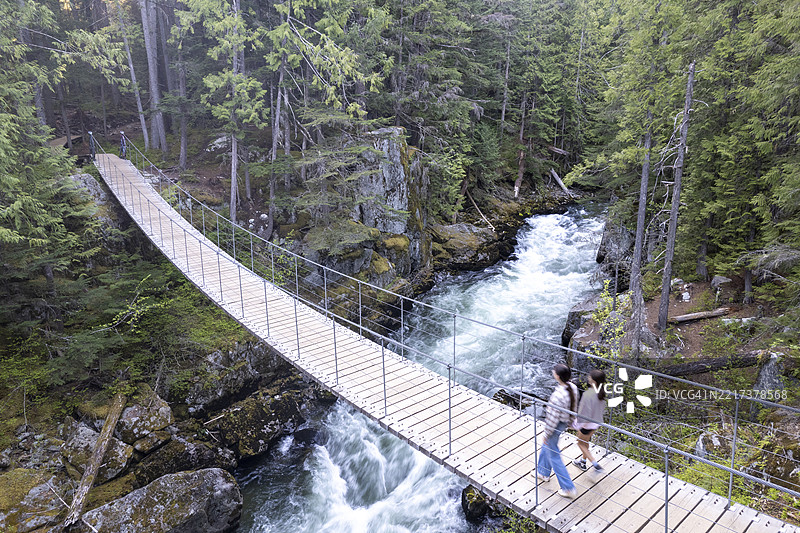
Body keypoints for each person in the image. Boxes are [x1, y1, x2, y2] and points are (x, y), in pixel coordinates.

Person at [536, 363, 579, 498]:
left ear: (558, 376)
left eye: (554, 371)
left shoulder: (557, 396)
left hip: (556, 425)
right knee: (549, 446)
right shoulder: (573, 387)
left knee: (554, 455)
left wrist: (546, 434)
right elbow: (574, 407)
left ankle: (568, 488)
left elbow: (552, 420)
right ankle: (542, 472)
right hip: (564, 422)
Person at [572, 368, 607, 473]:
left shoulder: (588, 394)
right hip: (595, 424)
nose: (588, 378)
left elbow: (584, 413)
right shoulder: (601, 393)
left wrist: (577, 424)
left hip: (586, 425)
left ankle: (595, 464)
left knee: (580, 444)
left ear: (594, 381)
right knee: (585, 442)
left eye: (590, 377)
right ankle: (582, 462)